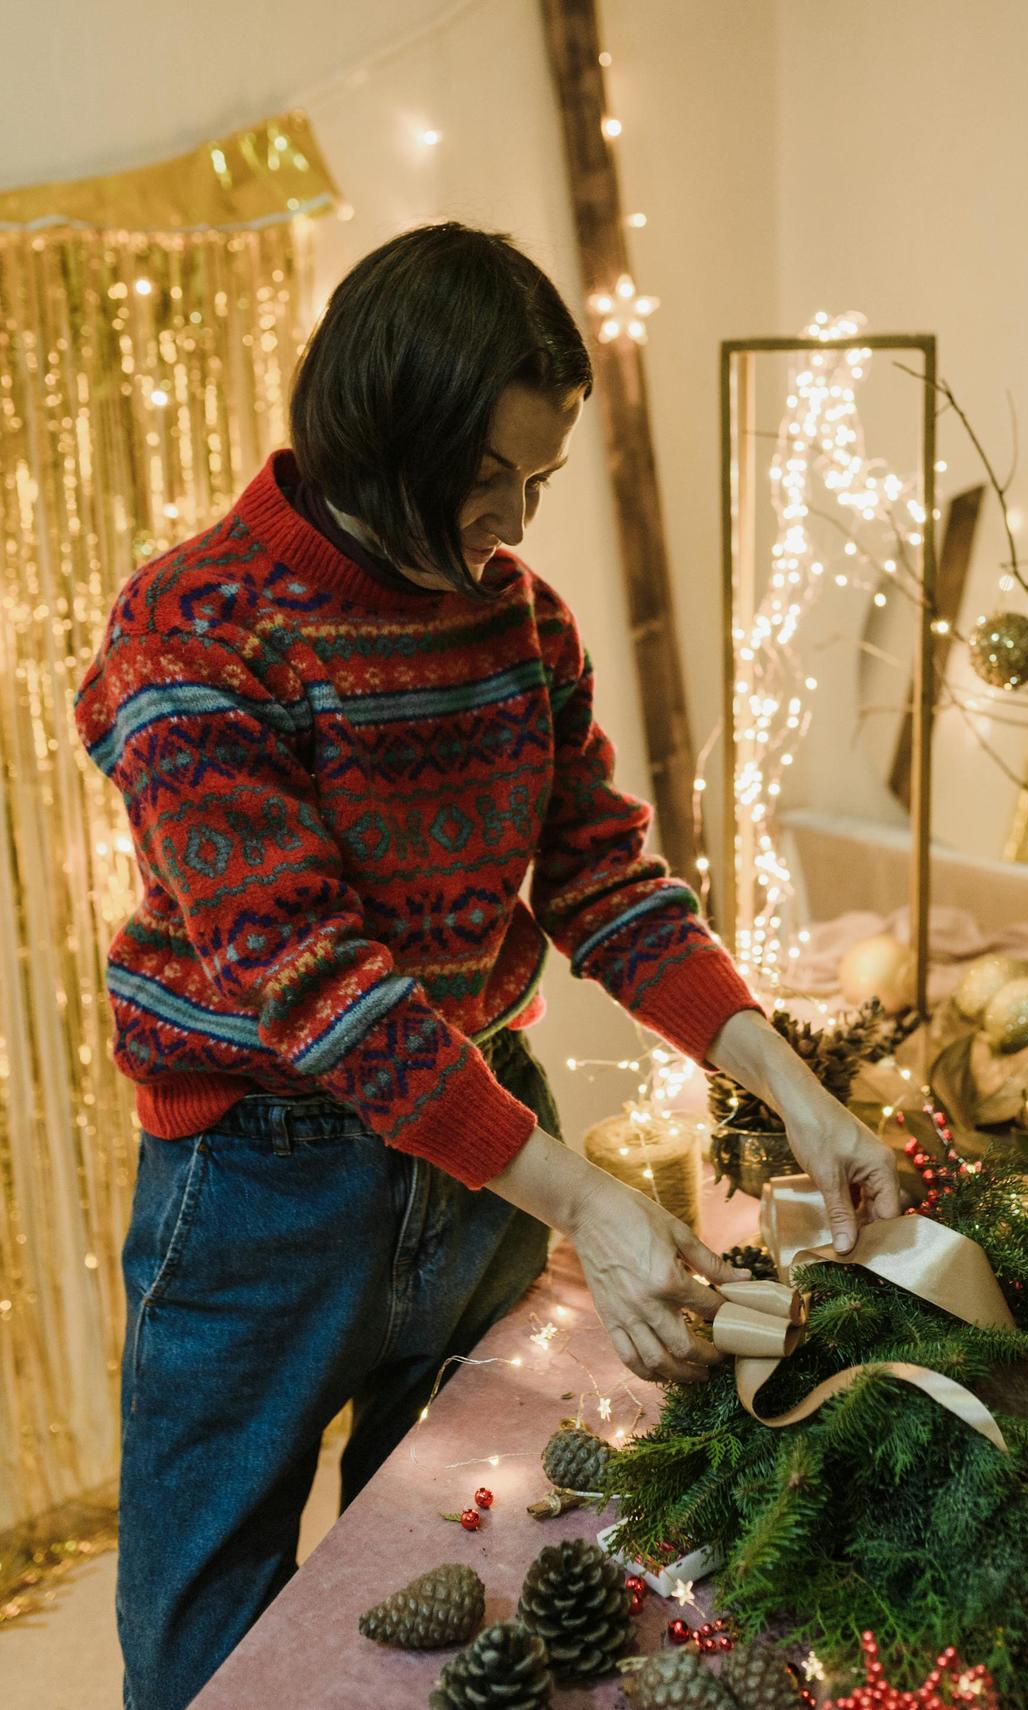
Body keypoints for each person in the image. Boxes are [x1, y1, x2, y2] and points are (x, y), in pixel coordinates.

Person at [74, 222, 899, 1710]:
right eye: (484, 479)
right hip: (261, 1184)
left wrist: (791, 1084)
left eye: (539, 482)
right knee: (214, 1637)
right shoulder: (190, 630)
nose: (511, 522)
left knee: (444, 1579)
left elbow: (604, 880)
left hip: (476, 1161)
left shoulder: (523, 625)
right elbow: (321, 986)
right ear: (376, 431)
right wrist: (586, 1193)